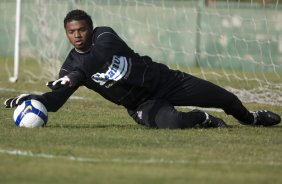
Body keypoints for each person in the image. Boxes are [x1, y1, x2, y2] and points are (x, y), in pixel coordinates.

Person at [4, 9, 281, 129]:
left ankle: (252, 119)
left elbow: (96, 60)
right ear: (66, 34)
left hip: (166, 81)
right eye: (71, 32)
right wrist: (36, 99)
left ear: (90, 28)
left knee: (226, 99)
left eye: (81, 29)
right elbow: (55, 101)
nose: (77, 35)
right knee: (174, 123)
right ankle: (203, 119)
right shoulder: (70, 64)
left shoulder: (104, 36)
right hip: (142, 103)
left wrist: (75, 77)